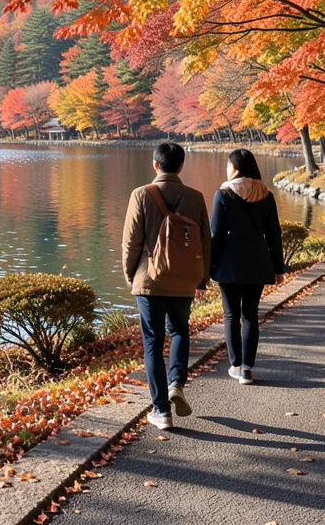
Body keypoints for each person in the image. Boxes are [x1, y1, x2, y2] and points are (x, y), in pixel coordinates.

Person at [122, 142, 212, 430]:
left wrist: (130, 275)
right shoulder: (196, 197)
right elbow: (205, 244)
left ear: (155, 165)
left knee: (152, 342)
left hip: (148, 280)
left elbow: (131, 242)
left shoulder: (141, 194)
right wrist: (201, 279)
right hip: (184, 279)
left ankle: (161, 411)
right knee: (180, 331)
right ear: (181, 166)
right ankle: (176, 382)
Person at [209, 149, 285, 386]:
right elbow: (274, 234)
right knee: (250, 316)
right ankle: (248, 370)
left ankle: (235, 365)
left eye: (228, 165)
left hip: (228, 265)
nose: (227, 168)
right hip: (258, 262)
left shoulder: (223, 195)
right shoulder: (266, 194)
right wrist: (278, 267)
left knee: (231, 315)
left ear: (236, 167)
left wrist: (208, 265)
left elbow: (216, 235)